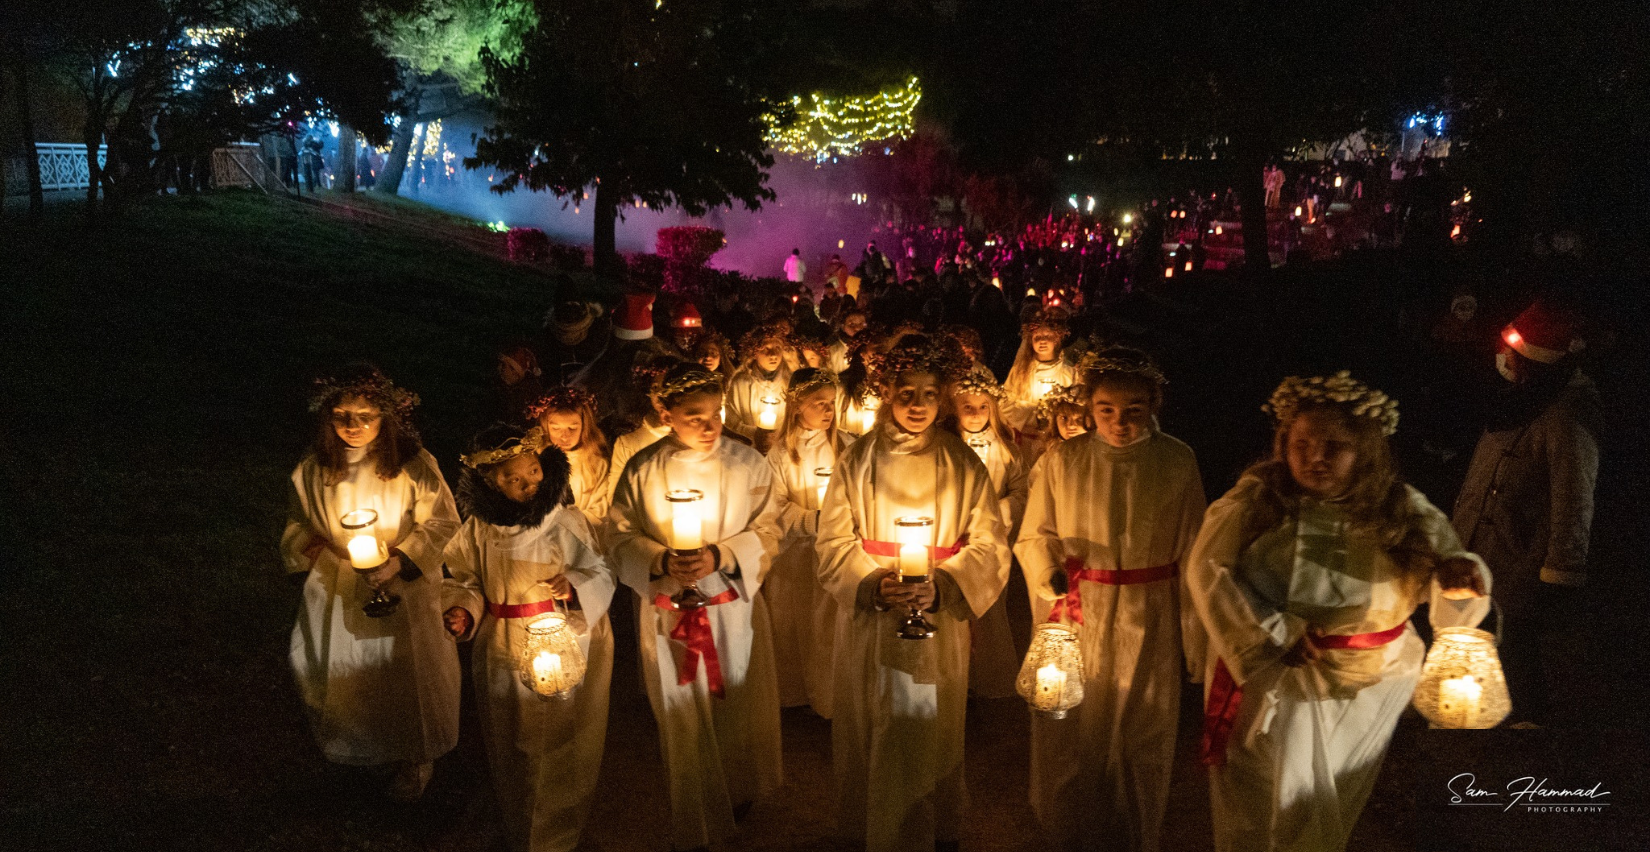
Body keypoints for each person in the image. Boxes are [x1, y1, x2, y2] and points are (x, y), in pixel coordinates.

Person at [1187, 371, 1491, 852]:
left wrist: (1462, 575)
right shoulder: (1256, 501)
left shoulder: (1403, 509)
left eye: (1335, 446)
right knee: (1264, 800)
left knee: (1323, 809)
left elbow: (1451, 582)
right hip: (1276, 679)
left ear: (1365, 450)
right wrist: (1275, 633)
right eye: (1302, 443)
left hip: (1369, 686)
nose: (1316, 457)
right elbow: (1208, 570)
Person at [816, 336, 1010, 852]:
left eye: (929, 393)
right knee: (872, 718)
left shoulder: (964, 463)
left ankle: (926, 827)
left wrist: (944, 584)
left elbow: (990, 543)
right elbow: (832, 540)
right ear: (887, 392)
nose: (918, 405)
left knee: (929, 721)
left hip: (937, 618)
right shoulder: (857, 459)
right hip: (873, 619)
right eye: (907, 393)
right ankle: (870, 827)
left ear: (943, 397)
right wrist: (872, 583)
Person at [1015, 349, 1206, 852]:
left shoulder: (1177, 460)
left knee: (1144, 724)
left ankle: (1135, 830)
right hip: (1081, 609)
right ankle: (1068, 827)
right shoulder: (1065, 459)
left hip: (1150, 611)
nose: (1119, 422)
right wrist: (1047, 573)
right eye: (1106, 410)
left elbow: (1194, 550)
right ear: (1090, 407)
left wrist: (1195, 637)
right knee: (1075, 721)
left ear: (1153, 406)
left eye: (1133, 410)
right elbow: (1035, 535)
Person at [607, 362, 784, 852]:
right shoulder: (643, 468)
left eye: (715, 414)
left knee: (735, 699)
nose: (710, 427)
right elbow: (618, 536)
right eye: (693, 416)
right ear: (666, 414)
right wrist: (660, 558)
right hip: (669, 611)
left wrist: (722, 555)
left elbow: (772, 528)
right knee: (681, 707)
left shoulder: (748, 464)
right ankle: (694, 794)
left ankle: (737, 789)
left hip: (731, 606)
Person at [279, 364, 461, 801]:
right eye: (342, 416)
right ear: (328, 416)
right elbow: (299, 522)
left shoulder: (412, 465)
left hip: (404, 584)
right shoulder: (312, 469)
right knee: (344, 667)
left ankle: (415, 754)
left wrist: (399, 561)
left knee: (405, 670)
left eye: (366, 417)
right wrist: (315, 547)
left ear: (386, 417)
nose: (354, 427)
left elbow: (442, 521)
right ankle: (358, 746)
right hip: (339, 579)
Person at [441, 425, 615, 852]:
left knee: (557, 737)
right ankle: (519, 820)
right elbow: (464, 576)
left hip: (562, 639)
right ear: (489, 481)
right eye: (512, 479)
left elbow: (600, 572)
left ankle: (558, 829)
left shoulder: (564, 522)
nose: (528, 485)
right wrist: (464, 608)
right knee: (510, 736)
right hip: (502, 642)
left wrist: (574, 584)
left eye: (534, 472)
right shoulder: (480, 529)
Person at [1452, 300, 1599, 726]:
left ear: (1533, 360)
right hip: (1486, 546)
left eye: (1512, 352)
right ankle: (1484, 709)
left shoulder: (1566, 413)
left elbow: (1574, 494)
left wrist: (1562, 569)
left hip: (1520, 553)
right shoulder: (1519, 401)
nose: (1503, 360)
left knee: (1516, 642)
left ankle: (1528, 727)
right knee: (1486, 635)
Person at [764, 368, 857, 716]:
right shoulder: (780, 454)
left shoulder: (848, 446)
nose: (828, 410)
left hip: (835, 551)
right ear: (797, 405)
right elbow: (774, 504)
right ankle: (795, 694)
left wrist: (836, 519)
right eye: (819, 403)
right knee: (793, 622)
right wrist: (810, 520)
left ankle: (833, 697)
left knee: (828, 626)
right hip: (795, 556)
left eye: (831, 403)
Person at [947, 372, 1028, 698]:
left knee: (990, 609)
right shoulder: (949, 447)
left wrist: (996, 511)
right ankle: (957, 678)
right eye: (968, 406)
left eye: (983, 406)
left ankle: (989, 678)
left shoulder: (1007, 450)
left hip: (993, 540)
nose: (976, 413)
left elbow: (1021, 493)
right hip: (956, 540)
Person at [527, 385, 611, 537]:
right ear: (545, 427)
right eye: (556, 428)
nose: (564, 436)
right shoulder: (536, 461)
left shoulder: (596, 464)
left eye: (572, 428)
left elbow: (600, 512)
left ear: (584, 427)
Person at [1002, 308, 1077, 458]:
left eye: (1048, 336)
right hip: (1026, 441)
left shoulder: (1070, 372)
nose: (1042, 341)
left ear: (1057, 339)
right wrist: (1035, 413)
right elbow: (1005, 402)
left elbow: (1076, 406)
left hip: (1058, 441)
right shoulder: (1020, 372)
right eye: (1037, 337)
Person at [725, 323, 793, 445]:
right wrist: (755, 434)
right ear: (754, 352)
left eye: (777, 348)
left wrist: (777, 436)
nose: (773, 355)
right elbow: (731, 422)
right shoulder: (740, 383)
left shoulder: (791, 382)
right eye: (765, 349)